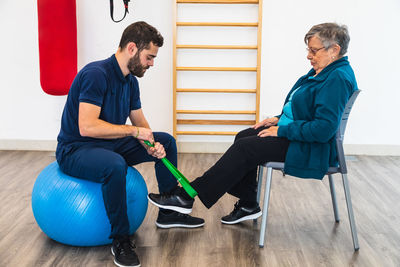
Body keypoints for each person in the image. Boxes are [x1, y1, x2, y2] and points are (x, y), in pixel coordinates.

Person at [148, 22, 358, 225]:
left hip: (312, 148)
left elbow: (324, 129)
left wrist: (282, 130)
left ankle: (186, 195)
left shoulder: (337, 78)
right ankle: (248, 204)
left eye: (314, 51)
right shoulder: (325, 70)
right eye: (308, 50)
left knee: (246, 148)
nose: (309, 55)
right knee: (244, 136)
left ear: (334, 50)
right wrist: (278, 118)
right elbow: (305, 107)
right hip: (300, 136)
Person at [55, 21, 204, 267]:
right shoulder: (96, 74)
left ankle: (168, 211)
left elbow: (139, 123)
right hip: (76, 149)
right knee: (115, 165)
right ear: (132, 48)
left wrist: (152, 144)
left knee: (166, 139)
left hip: (109, 144)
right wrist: (135, 132)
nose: (152, 64)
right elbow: (87, 126)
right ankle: (121, 240)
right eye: (149, 57)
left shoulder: (130, 81)